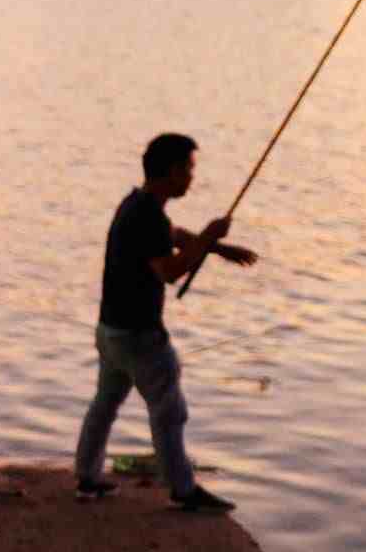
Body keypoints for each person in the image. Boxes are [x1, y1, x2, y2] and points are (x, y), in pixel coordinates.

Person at [72, 132, 257, 510]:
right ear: (171, 171)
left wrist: (217, 248)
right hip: (139, 336)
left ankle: (87, 477)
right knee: (170, 410)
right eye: (189, 169)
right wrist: (207, 235)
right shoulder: (148, 216)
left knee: (105, 403)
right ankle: (183, 489)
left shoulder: (136, 205)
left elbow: (173, 236)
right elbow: (169, 271)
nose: (192, 177)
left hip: (110, 329)